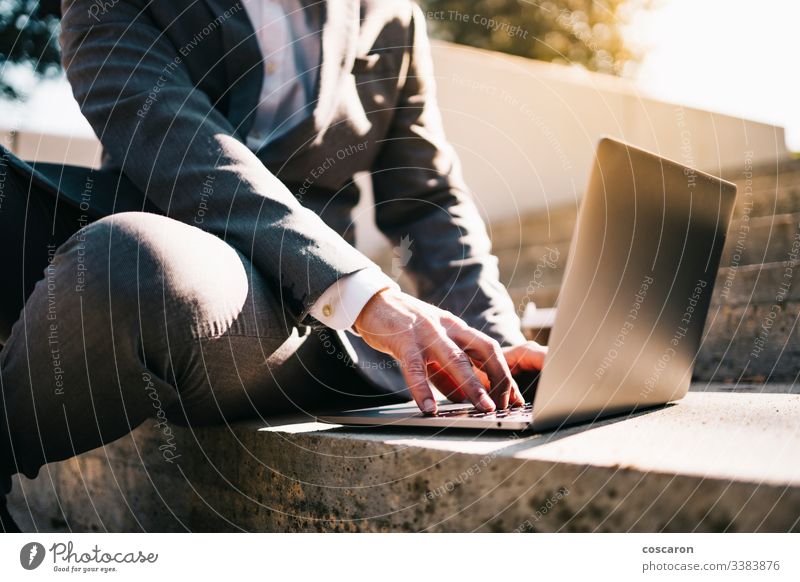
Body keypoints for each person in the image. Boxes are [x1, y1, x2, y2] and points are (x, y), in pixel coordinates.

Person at [0, 0, 546, 532]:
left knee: (129, 262)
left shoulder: (390, 13)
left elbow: (430, 200)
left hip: (290, 326)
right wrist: (364, 295)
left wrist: (497, 345)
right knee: (122, 256)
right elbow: (183, 150)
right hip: (173, 256)